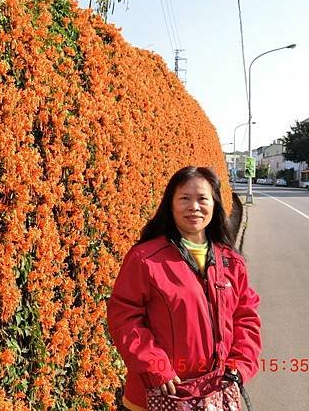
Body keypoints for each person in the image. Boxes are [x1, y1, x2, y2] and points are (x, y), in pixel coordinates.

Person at [107, 166, 261, 410]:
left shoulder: (231, 261)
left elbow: (246, 318)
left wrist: (238, 368)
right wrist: (156, 367)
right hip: (158, 394)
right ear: (171, 204)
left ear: (215, 204)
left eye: (202, 199)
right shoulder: (145, 259)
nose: (194, 207)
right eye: (184, 199)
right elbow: (124, 318)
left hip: (214, 394)